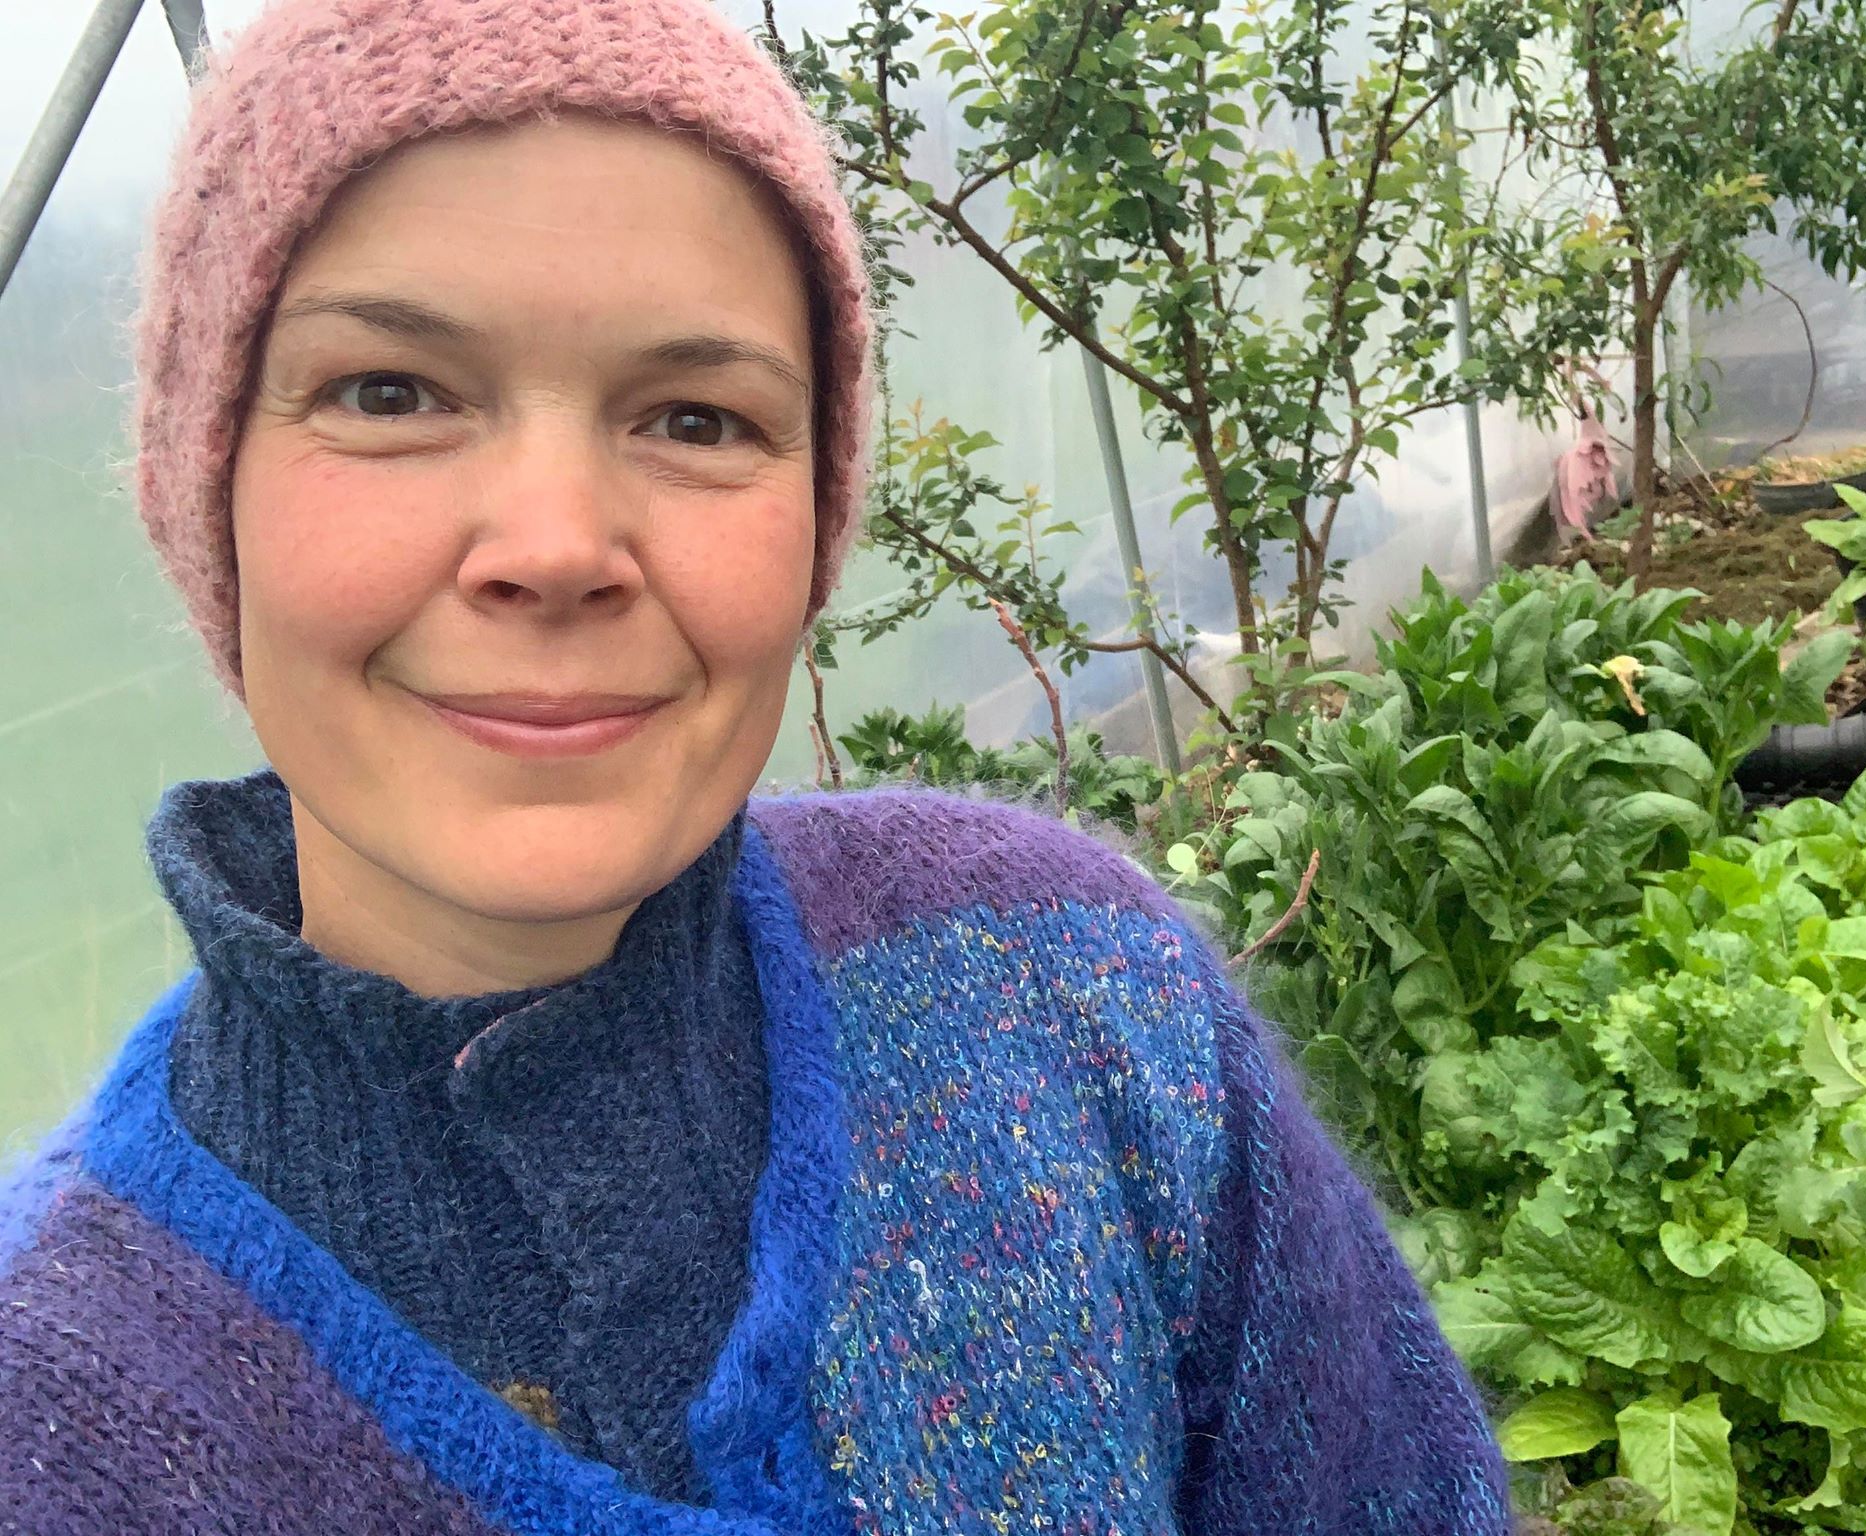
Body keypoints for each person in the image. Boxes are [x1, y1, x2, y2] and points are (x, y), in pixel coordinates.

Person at [0, 1, 1511, 1531]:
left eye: (697, 418)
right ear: (208, 489)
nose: (556, 546)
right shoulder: (49, 1411)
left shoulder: (1073, 991)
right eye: (391, 393)